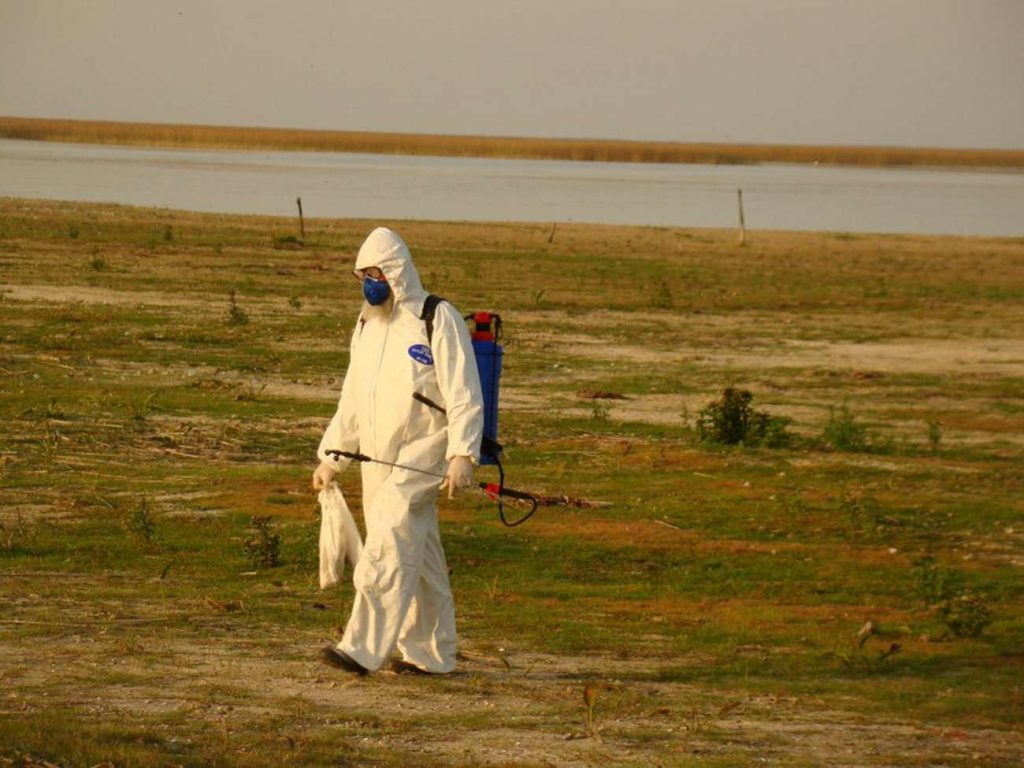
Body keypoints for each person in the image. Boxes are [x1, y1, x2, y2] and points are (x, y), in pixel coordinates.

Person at [312, 227, 484, 675]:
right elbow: (354, 395)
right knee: (418, 551)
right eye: (363, 274)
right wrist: (333, 457)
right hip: (377, 454)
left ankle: (361, 647)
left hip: (426, 449)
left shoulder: (436, 316)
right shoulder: (367, 323)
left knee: (389, 537)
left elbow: (464, 389)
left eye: (377, 273)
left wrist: (463, 452)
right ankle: (432, 654)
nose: (370, 282)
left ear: (397, 272)